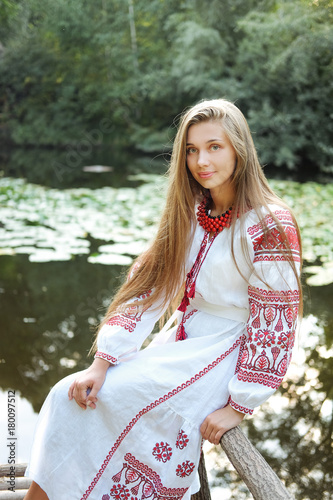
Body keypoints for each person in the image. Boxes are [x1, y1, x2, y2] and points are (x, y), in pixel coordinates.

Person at [24, 99, 302, 500]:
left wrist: (239, 405)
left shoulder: (270, 224)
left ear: (240, 148)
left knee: (123, 403)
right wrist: (104, 362)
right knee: (71, 395)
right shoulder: (192, 209)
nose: (200, 160)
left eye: (214, 147)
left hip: (227, 351)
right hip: (184, 340)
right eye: (191, 150)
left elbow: (274, 323)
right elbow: (151, 285)